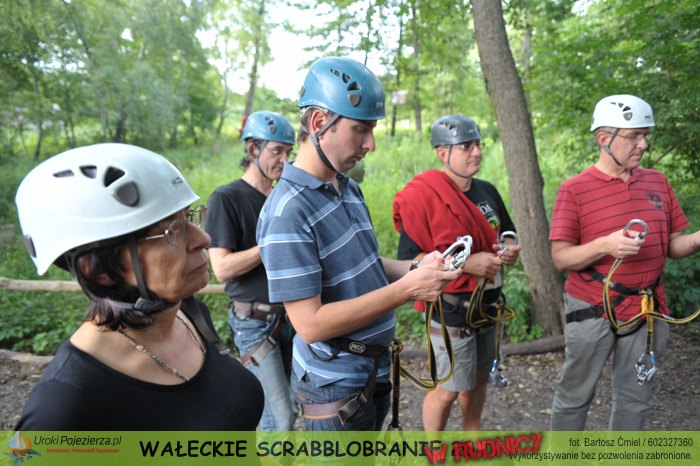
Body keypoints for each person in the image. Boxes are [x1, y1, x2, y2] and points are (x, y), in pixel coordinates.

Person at [256, 56, 462, 431]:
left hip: (373, 368)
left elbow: (362, 264)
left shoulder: (346, 186)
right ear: (319, 123)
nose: (371, 144)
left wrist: (416, 267)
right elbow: (310, 324)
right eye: (360, 129)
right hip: (334, 389)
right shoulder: (287, 212)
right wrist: (406, 290)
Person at [14, 143, 264, 430]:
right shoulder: (63, 406)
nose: (203, 239)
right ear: (100, 271)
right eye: (173, 230)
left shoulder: (188, 315)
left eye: (188, 217)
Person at [549, 94, 700, 430]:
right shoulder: (575, 190)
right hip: (592, 309)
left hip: (647, 309)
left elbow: (673, 246)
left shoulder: (657, 182)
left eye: (644, 136)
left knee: (636, 399)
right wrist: (605, 245)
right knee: (575, 396)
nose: (643, 144)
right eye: (634, 136)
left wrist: (698, 239)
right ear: (604, 139)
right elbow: (560, 257)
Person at [392, 114, 522, 431]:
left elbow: (506, 230)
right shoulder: (425, 197)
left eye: (478, 144)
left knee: (478, 381)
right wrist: (466, 264)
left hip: (489, 307)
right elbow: (411, 259)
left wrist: (509, 246)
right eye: (466, 146)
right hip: (452, 310)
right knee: (448, 389)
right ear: (443, 153)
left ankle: (470, 440)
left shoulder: (487, 190)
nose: (476, 152)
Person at [206, 110, 297, 431]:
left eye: (288, 153)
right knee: (280, 417)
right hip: (255, 323)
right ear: (252, 149)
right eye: (276, 151)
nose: (284, 161)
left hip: (292, 317)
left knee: (288, 408)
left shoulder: (282, 197)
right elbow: (222, 267)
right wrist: (268, 244)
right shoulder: (226, 198)